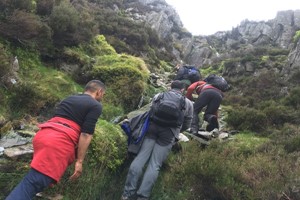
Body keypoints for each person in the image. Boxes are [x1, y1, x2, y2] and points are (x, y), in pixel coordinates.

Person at [6, 80, 106, 200]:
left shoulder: (69, 98)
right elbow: (86, 134)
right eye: (103, 95)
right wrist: (79, 161)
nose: (102, 98)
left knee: (35, 182)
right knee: (33, 183)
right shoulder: (95, 105)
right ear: (99, 92)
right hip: (57, 143)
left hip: (43, 135)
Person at [121, 80, 193, 200]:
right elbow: (187, 123)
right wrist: (177, 131)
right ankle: (142, 196)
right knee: (154, 164)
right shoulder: (188, 103)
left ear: (170, 87)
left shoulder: (159, 96)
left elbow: (150, 112)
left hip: (152, 129)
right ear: (182, 90)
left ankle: (127, 194)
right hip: (169, 134)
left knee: (140, 158)